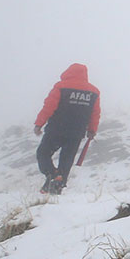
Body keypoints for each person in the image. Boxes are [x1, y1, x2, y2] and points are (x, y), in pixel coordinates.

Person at [33, 63, 100, 194]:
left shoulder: (61, 86)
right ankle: (57, 186)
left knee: (43, 153)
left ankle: (52, 175)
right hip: (77, 132)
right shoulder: (94, 92)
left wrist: (39, 124)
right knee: (66, 159)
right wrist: (92, 130)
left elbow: (49, 107)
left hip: (56, 129)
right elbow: (95, 113)